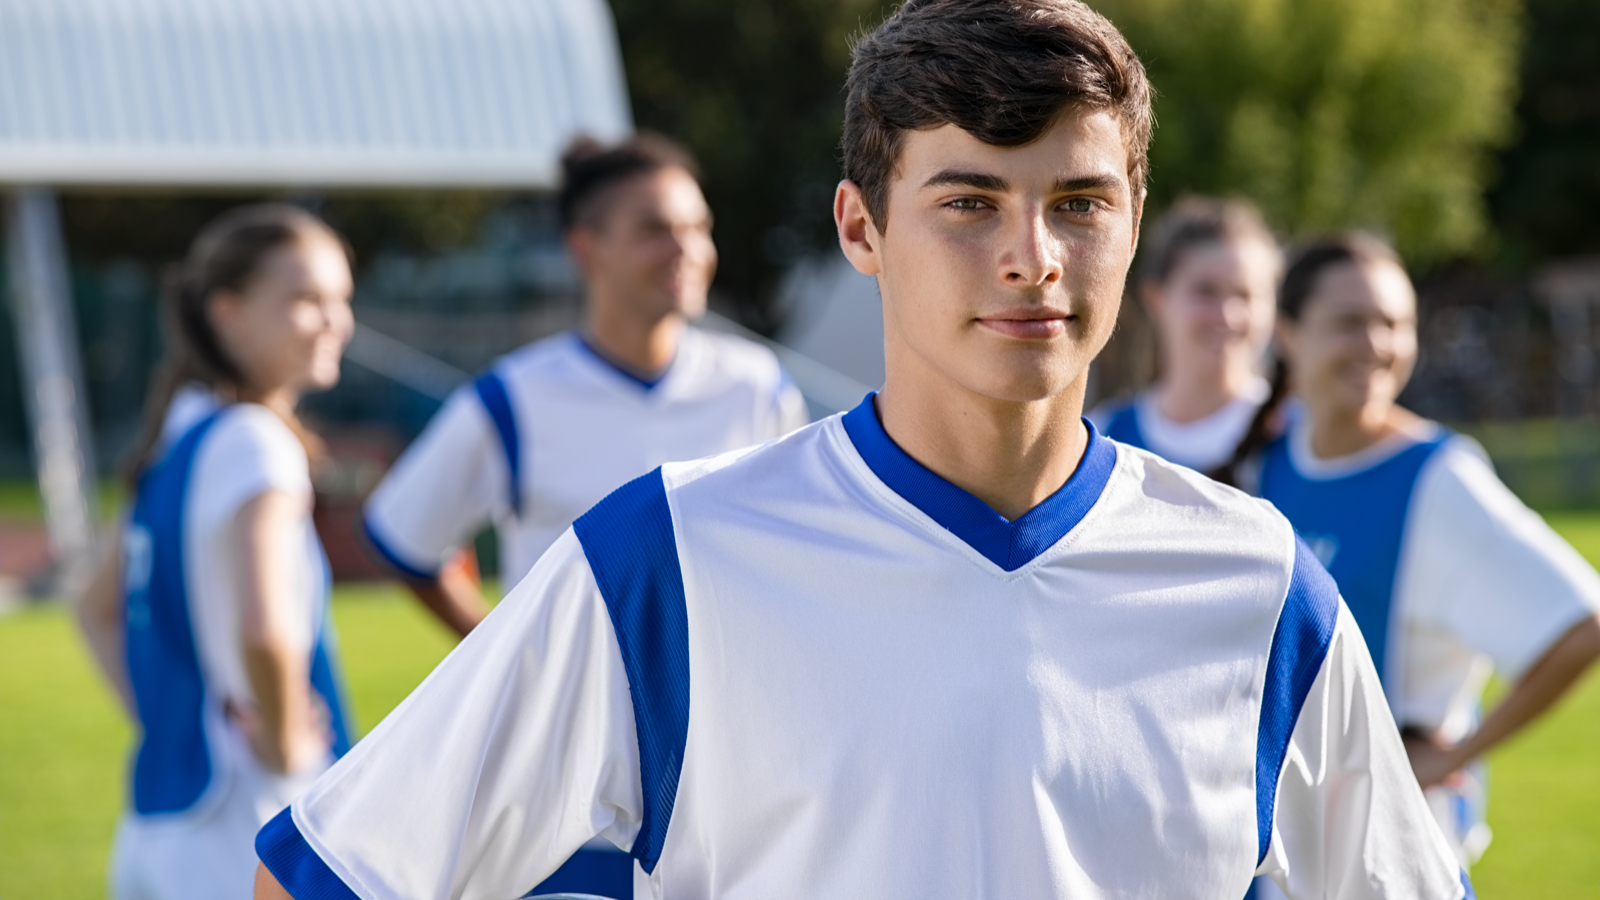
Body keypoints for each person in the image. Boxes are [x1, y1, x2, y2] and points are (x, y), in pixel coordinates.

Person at [255, 2, 1469, 897]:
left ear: (1134, 221)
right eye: (968, 202)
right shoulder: (665, 559)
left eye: (1079, 203)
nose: (1032, 257)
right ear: (860, 227)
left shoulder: (1257, 585)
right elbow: (332, 873)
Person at [356, 133, 807, 898]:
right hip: (566, 794)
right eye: (655, 228)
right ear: (585, 247)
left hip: (724, 782)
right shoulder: (516, 396)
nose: (686, 248)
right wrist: (510, 651)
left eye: (697, 227)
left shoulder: (756, 386)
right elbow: (403, 538)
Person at [1219, 234, 1600, 898]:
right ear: (1287, 333)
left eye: (1395, 323)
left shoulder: (1437, 478)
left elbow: (1582, 622)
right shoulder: (1266, 464)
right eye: (1350, 322)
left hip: (1397, 864)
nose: (1377, 343)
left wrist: (1454, 755)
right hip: (1284, 861)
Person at [71, 204, 357, 900]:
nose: (335, 321)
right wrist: (287, 749)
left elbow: (93, 607)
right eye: (305, 298)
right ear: (227, 312)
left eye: (341, 299)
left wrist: (172, 721)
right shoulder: (259, 442)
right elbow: (266, 627)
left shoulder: (178, 436)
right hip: (245, 826)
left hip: (155, 829)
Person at [1090, 196, 1282, 471]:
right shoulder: (1103, 438)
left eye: (1245, 295)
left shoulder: (1303, 436)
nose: (1228, 315)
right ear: (1156, 298)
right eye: (1206, 292)